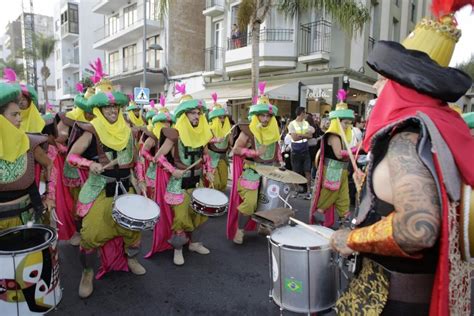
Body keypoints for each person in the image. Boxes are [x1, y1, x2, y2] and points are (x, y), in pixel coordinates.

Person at [330, 2, 474, 314]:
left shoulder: (407, 140)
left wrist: (351, 238)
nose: (376, 86)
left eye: (382, 79)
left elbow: (418, 229)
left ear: (400, 85)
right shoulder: (444, 129)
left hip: (391, 301)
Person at [67, 78, 148, 299]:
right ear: (99, 109)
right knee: (90, 234)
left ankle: (131, 258)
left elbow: (137, 161)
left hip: (125, 188)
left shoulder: (129, 131)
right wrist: (89, 164)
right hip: (99, 189)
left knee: (133, 229)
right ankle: (87, 272)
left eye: (115, 106)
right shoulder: (91, 131)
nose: (112, 110)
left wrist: (140, 181)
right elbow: (71, 156)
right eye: (107, 107)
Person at [153, 83, 214, 266]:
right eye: (193, 113)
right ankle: (178, 249)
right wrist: (173, 170)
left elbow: (205, 156)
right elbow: (158, 157)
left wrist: (209, 171)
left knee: (200, 214)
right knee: (180, 217)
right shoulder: (174, 134)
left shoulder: (202, 133)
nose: (196, 116)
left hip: (197, 181)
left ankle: (194, 243)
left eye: (198, 113)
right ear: (184, 114)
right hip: (178, 184)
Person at [227, 82, 284, 245]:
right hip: (251, 171)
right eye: (262, 115)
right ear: (256, 115)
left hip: (270, 170)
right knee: (250, 203)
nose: (265, 119)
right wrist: (253, 153)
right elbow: (235, 150)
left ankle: (263, 226)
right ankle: (240, 230)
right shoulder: (249, 131)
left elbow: (276, 148)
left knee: (268, 201)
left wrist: (280, 161)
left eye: (268, 116)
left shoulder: (274, 130)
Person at [0, 82, 53, 230]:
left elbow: (49, 165)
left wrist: (50, 194)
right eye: (14, 114)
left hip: (26, 217)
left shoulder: (29, 142)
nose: (20, 119)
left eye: (20, 114)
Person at [49, 89, 95, 245]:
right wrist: (69, 139)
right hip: (73, 167)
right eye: (88, 111)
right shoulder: (69, 118)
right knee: (76, 200)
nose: (91, 114)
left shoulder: (98, 122)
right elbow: (56, 138)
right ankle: (77, 230)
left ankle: (90, 229)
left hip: (93, 167)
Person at [310, 89, 354, 228]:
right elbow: (339, 154)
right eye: (344, 123)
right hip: (333, 170)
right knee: (329, 195)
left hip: (342, 171)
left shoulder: (342, 136)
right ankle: (319, 216)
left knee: (343, 198)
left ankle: (343, 223)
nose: (347, 126)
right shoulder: (334, 135)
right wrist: (356, 150)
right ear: (337, 121)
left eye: (348, 123)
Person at [207, 92, 232, 191]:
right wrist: (214, 140)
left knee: (223, 183)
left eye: (223, 117)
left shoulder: (227, 128)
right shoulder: (209, 128)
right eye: (220, 117)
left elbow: (231, 144)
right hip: (211, 159)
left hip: (223, 158)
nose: (222, 120)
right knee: (215, 183)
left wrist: (229, 134)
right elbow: (203, 142)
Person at [288, 107, 314, 199]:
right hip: (296, 150)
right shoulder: (292, 124)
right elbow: (294, 138)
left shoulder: (306, 123)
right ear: (301, 113)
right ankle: (296, 190)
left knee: (307, 171)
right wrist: (305, 136)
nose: (306, 115)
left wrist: (301, 135)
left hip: (305, 149)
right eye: (305, 113)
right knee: (296, 172)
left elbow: (311, 135)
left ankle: (308, 192)